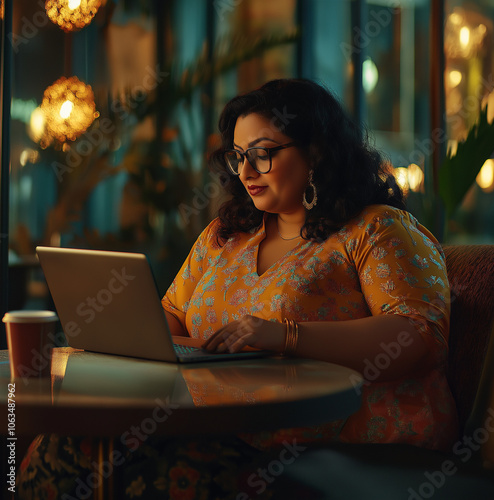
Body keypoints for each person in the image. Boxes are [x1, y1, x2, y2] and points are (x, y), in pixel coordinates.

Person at [18, 78, 458, 499]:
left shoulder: (376, 229)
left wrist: (285, 335)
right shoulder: (226, 235)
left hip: (343, 440)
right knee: (65, 444)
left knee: (116, 466)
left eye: (263, 154)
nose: (246, 170)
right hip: (219, 424)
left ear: (317, 152)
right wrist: (136, 336)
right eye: (238, 155)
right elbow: (169, 315)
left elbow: (419, 335)